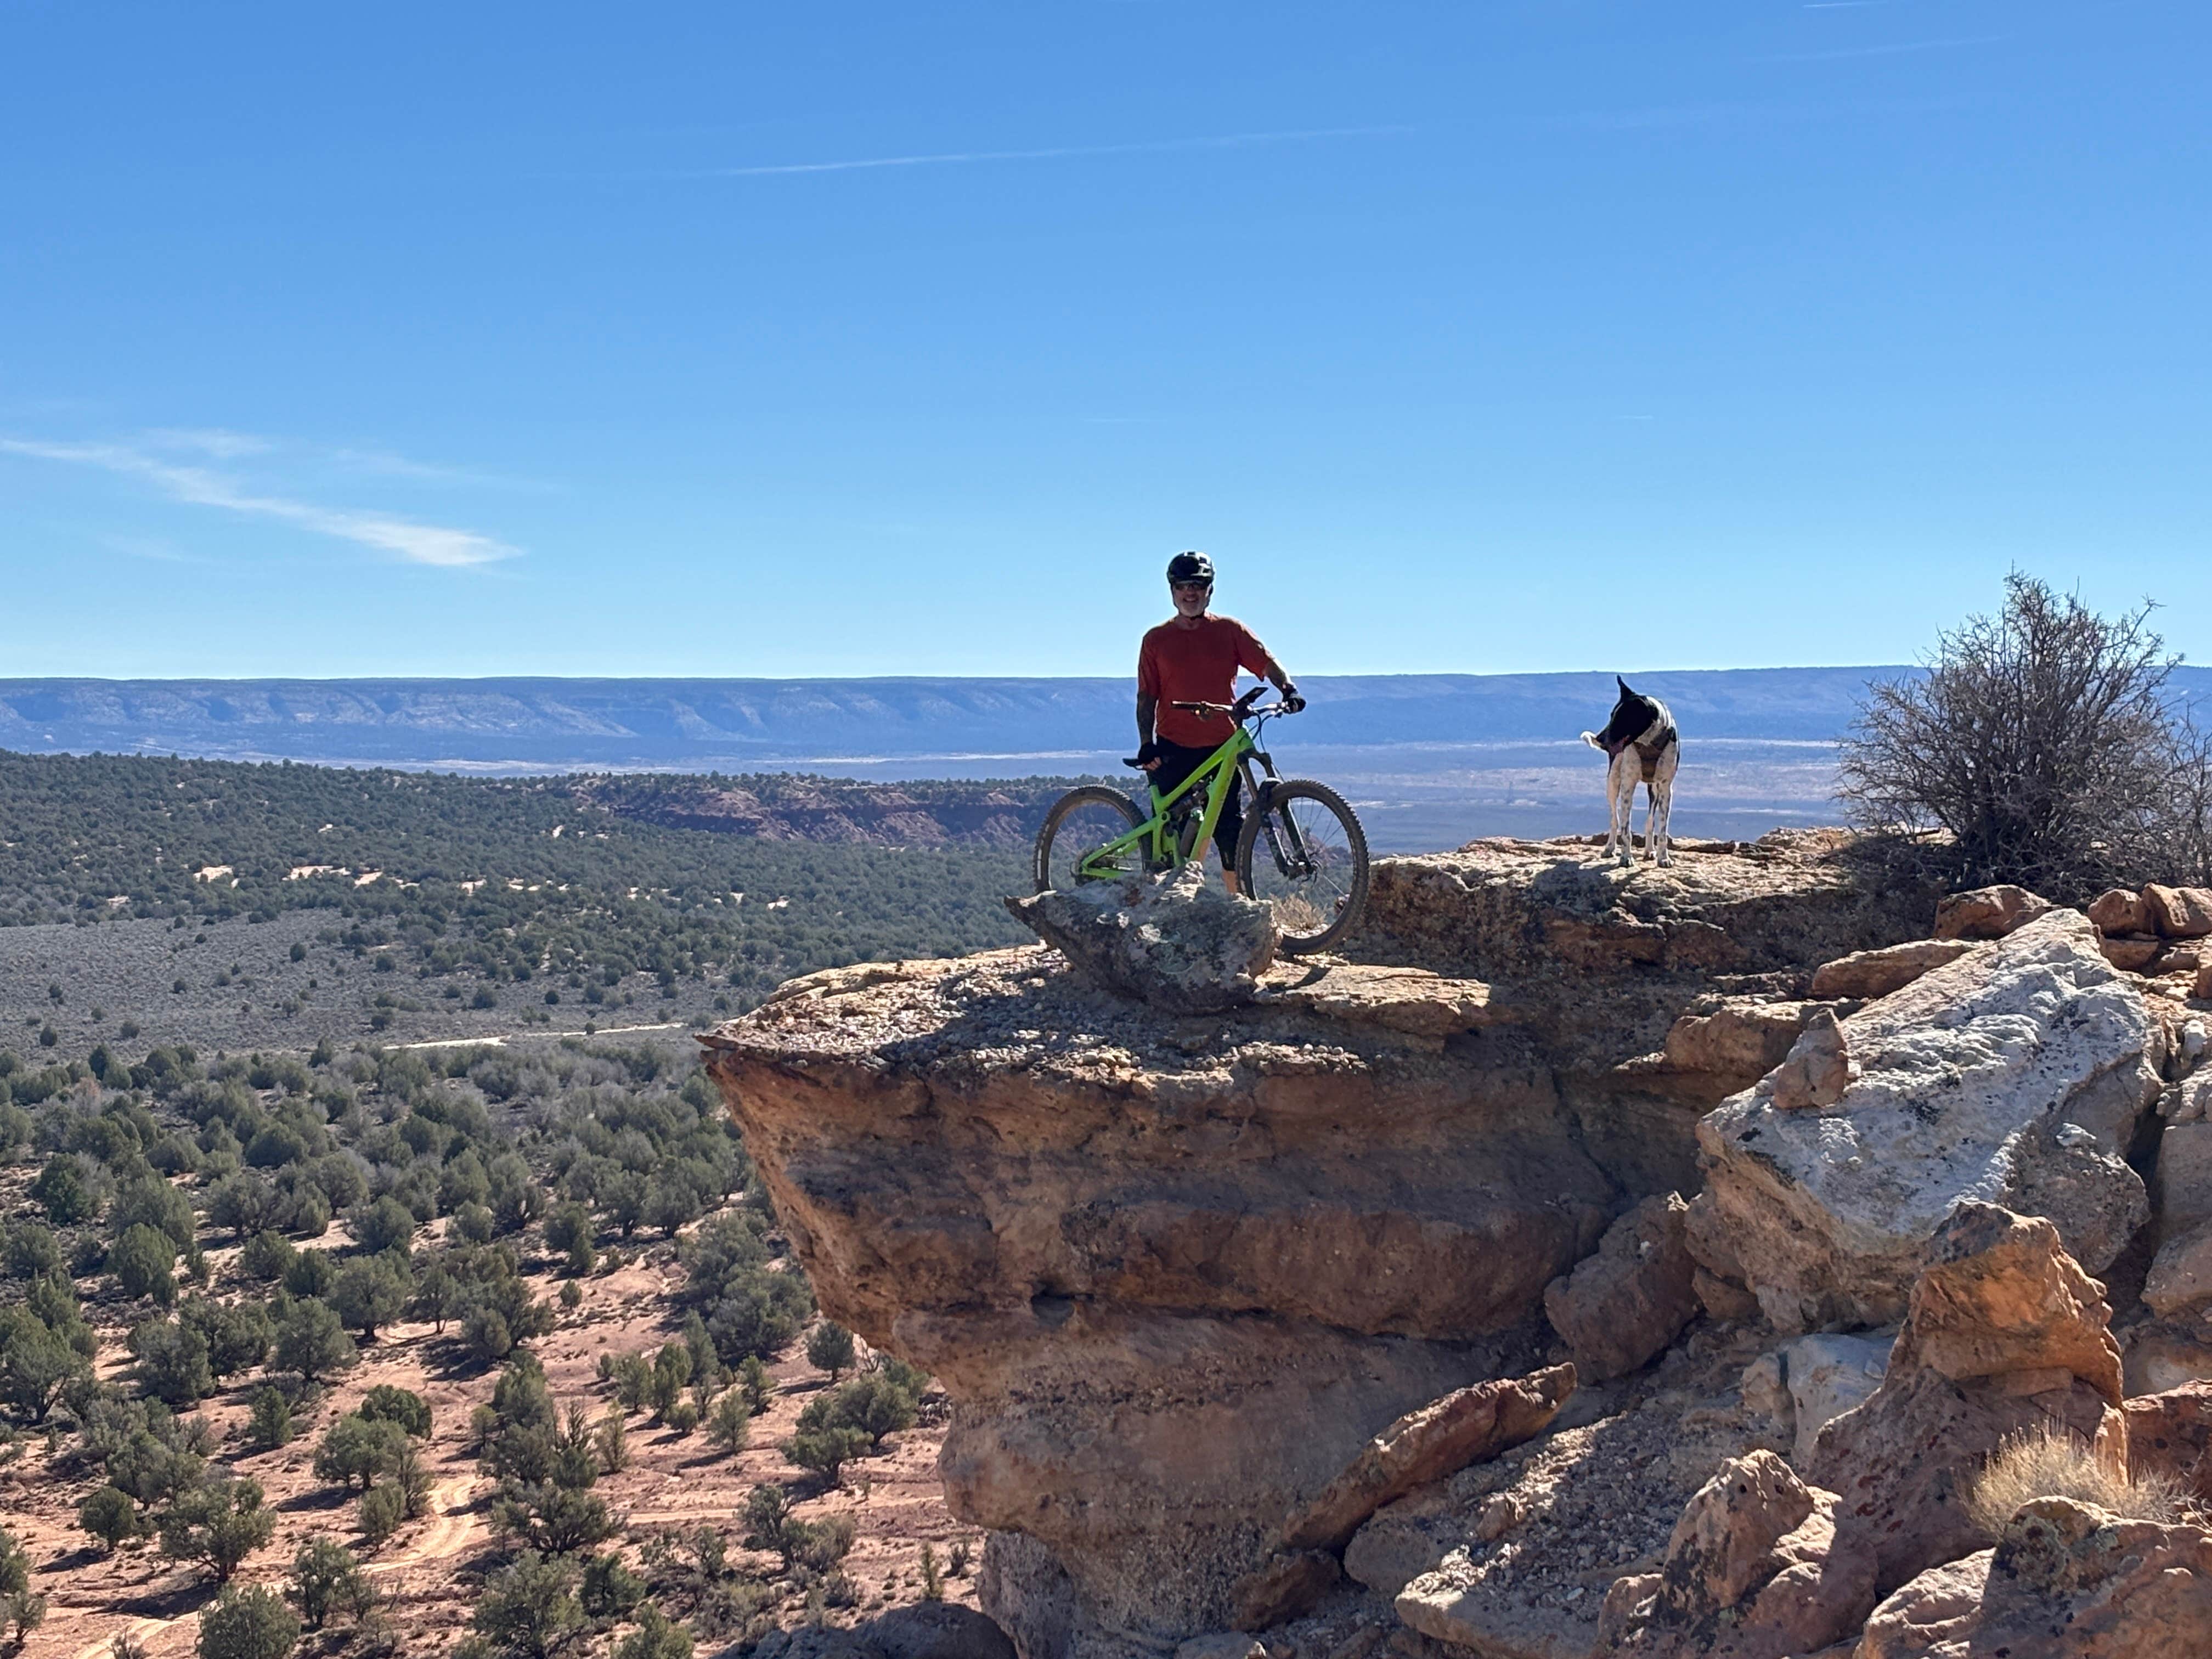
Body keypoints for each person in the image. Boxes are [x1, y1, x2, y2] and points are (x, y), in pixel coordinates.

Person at [1134, 551, 1303, 893]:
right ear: (1172, 591)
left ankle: (1236, 906)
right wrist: (1145, 743)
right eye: (1182, 586)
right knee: (1174, 837)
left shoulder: (1229, 631)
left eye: (1197, 585)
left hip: (1221, 749)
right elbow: (1146, 697)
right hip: (1173, 749)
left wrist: (1288, 688)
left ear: (1210, 590)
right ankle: (1168, 909)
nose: (1190, 593)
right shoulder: (1156, 640)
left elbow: (1266, 661)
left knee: (1229, 831)